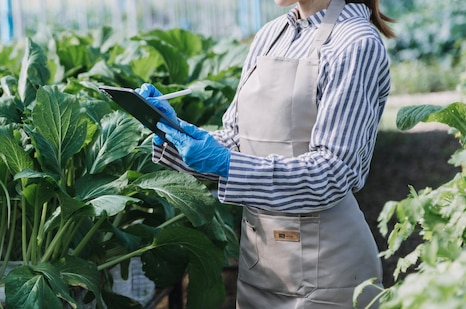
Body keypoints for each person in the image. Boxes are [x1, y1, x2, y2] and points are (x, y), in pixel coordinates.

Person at [136, 0, 395, 308]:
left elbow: (333, 172)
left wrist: (228, 165)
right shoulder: (270, 35)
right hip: (259, 266)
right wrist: (174, 130)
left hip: (327, 274)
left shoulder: (356, 43)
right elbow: (236, 138)